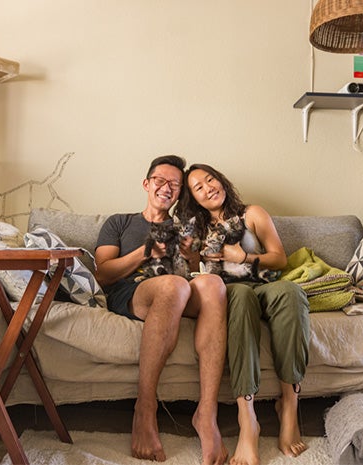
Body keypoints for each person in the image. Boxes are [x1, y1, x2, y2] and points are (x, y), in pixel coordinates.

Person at [94, 155, 229, 465]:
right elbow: (103, 273)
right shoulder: (120, 222)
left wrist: (190, 255)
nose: (167, 188)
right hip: (133, 291)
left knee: (212, 286)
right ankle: (145, 407)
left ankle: (206, 414)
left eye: (175, 185)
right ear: (147, 184)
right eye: (160, 181)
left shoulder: (184, 227)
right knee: (173, 286)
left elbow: (196, 269)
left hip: (178, 289)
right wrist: (144, 253)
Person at [177, 164, 310, 465]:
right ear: (194, 199)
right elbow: (190, 270)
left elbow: (279, 258)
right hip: (228, 293)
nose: (208, 187)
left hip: (264, 285)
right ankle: (247, 418)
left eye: (211, 179)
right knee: (239, 294)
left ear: (221, 180)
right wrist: (188, 254)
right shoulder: (195, 229)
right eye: (199, 187)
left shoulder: (252, 214)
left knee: (291, 292)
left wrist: (245, 256)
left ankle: (289, 405)